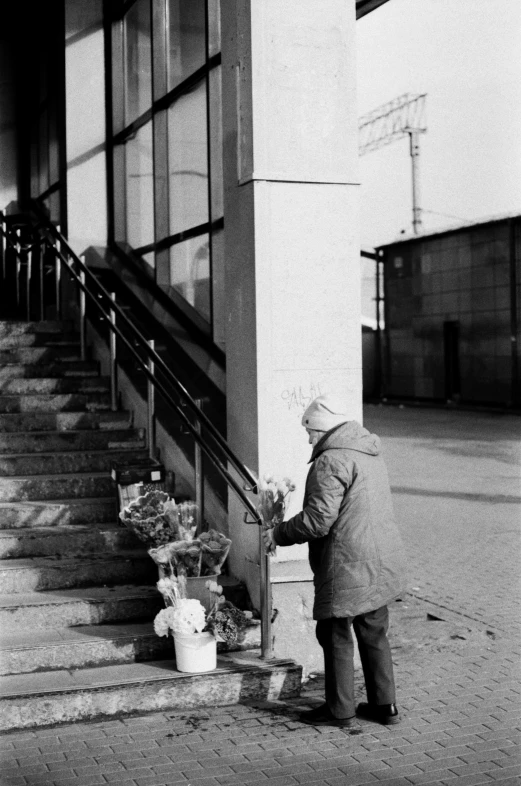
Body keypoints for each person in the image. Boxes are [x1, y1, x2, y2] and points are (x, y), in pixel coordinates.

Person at [263, 393, 408, 727]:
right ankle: (386, 708)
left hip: (346, 562)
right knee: (373, 631)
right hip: (379, 559)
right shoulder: (368, 451)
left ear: (323, 430)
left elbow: (318, 520)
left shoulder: (330, 461)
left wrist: (278, 534)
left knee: (335, 633)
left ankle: (340, 710)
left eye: (310, 431)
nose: (309, 438)